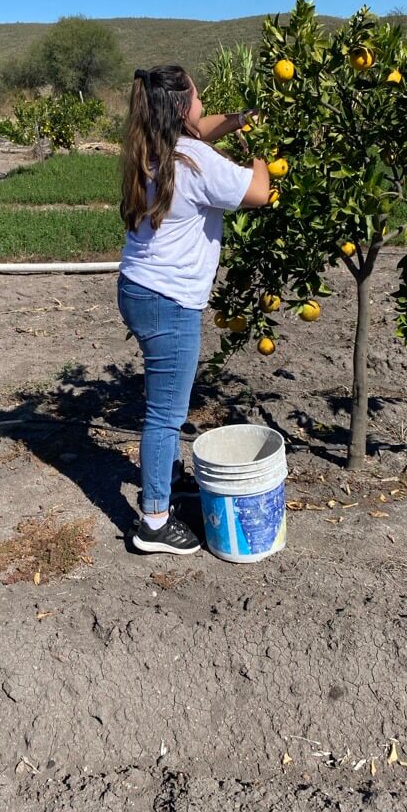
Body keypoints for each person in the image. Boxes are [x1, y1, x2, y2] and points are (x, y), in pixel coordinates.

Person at [118, 64, 271, 555]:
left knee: (161, 403)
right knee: (165, 415)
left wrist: (239, 119)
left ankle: (162, 476)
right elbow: (260, 193)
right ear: (183, 107)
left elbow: (202, 128)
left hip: (138, 288)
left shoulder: (150, 145)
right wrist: (263, 152)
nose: (205, 106)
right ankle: (155, 523)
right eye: (199, 97)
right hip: (169, 302)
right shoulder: (197, 161)